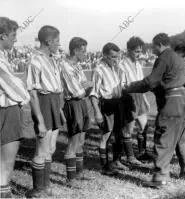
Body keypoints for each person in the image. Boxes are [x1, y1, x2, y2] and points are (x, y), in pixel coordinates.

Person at [123, 33, 185, 188]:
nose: (153, 50)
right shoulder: (177, 57)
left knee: (164, 138)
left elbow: (151, 81)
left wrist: (129, 87)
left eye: (154, 47)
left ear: (158, 45)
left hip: (173, 100)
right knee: (183, 138)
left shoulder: (163, 57)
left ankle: (160, 177)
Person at [26, 25, 63, 198]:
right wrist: (40, 120)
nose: (59, 44)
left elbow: (57, 88)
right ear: (48, 41)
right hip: (43, 102)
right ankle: (37, 191)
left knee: (50, 148)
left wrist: (60, 109)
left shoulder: (54, 58)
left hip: (55, 103)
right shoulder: (35, 60)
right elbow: (32, 93)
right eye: (56, 41)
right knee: (41, 149)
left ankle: (45, 186)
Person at [0, 17, 30, 198]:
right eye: (12, 36)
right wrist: (25, 94)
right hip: (6, 111)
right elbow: (17, 90)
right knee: (7, 161)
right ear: (2, 36)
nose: (15, 39)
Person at [90, 43, 132, 175]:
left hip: (118, 103)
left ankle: (116, 160)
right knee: (106, 135)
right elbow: (93, 93)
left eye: (117, 57)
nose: (116, 59)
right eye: (113, 57)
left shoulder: (116, 68)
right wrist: (97, 112)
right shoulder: (99, 70)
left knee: (119, 133)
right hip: (107, 104)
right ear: (105, 56)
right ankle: (104, 166)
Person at [60, 37, 95, 188]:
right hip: (73, 104)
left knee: (81, 140)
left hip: (81, 102)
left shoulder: (77, 66)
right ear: (75, 51)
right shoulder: (65, 66)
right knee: (73, 142)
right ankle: (70, 178)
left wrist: (86, 86)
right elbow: (77, 91)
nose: (86, 54)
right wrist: (86, 86)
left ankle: (79, 173)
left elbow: (86, 86)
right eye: (83, 51)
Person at [119, 37, 152, 162]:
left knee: (144, 126)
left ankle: (142, 152)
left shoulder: (139, 64)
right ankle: (129, 157)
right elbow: (122, 85)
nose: (139, 54)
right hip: (128, 97)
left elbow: (142, 83)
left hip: (140, 97)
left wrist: (145, 99)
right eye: (136, 51)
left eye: (140, 51)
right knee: (129, 129)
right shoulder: (121, 65)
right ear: (128, 50)